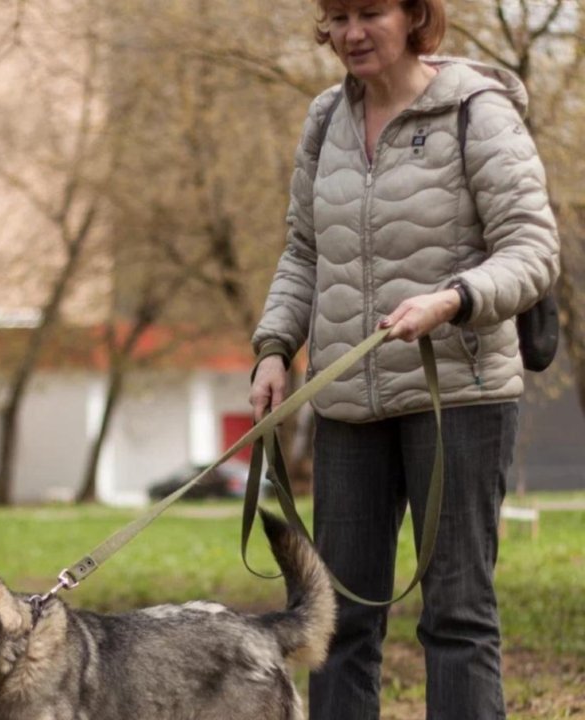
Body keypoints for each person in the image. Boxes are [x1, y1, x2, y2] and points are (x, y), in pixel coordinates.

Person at [249, 0, 560, 717]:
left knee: (456, 612)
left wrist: (453, 297)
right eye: (337, 16)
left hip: (461, 395)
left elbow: (532, 250)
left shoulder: (475, 113)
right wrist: (274, 347)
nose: (351, 33)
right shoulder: (325, 119)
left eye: (371, 13)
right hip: (350, 405)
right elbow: (302, 252)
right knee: (335, 618)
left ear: (415, 16)